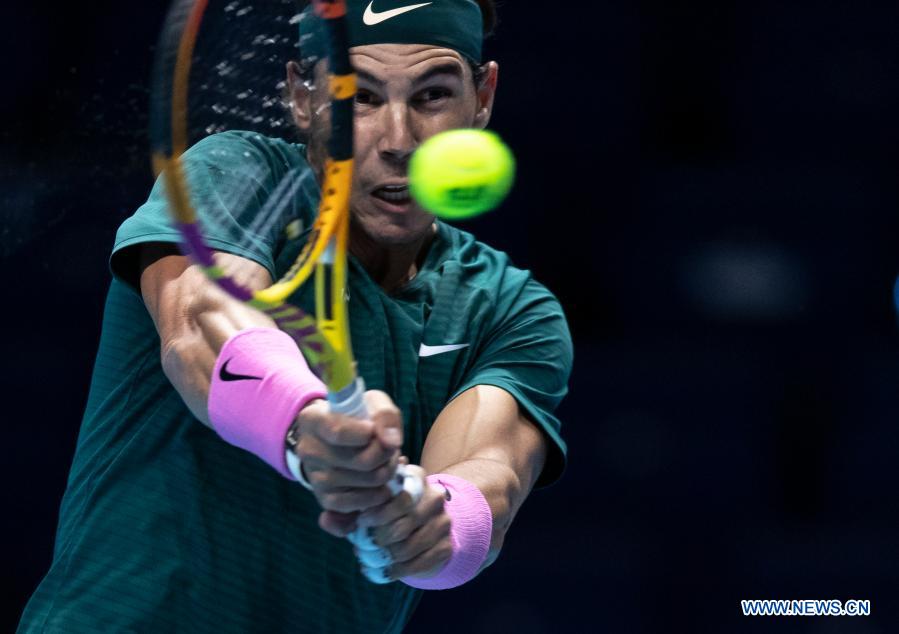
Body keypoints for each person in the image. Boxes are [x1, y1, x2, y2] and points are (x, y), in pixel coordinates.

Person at [18, 1, 572, 632]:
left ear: (483, 96)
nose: (399, 141)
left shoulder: (512, 307)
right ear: (303, 97)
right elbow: (201, 322)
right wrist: (304, 428)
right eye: (359, 97)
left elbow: (489, 481)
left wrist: (423, 520)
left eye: (433, 95)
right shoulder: (237, 173)